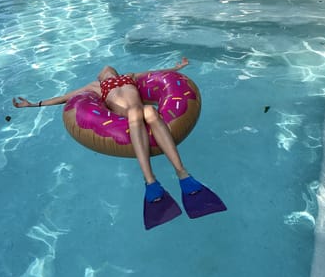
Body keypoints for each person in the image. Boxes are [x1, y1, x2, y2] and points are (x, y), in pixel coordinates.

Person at [13, 57, 226, 229]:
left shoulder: (130, 76)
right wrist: (34, 104)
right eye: (102, 71)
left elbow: (157, 75)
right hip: (129, 116)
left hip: (142, 112)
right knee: (136, 112)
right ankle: (150, 180)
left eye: (109, 68)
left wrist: (177, 67)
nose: (106, 69)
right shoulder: (95, 87)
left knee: (150, 110)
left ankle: (183, 175)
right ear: (99, 77)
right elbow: (65, 98)